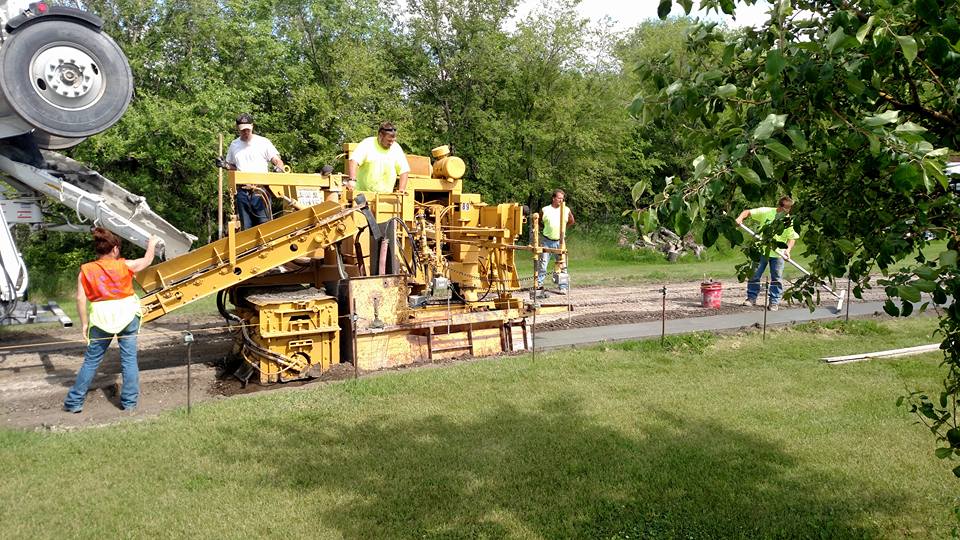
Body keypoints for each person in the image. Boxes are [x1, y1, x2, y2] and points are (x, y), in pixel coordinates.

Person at [63, 229, 159, 413]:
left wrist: (84, 323)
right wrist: (152, 244)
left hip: (100, 320)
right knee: (129, 360)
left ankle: (74, 403)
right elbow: (146, 261)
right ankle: (129, 404)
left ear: (98, 250)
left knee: (91, 362)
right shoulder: (125, 265)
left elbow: (80, 299)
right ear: (115, 249)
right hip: (127, 316)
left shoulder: (85, 270)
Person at [735, 196, 799, 311]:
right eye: (786, 208)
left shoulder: (789, 221)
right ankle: (751, 298)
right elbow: (747, 212)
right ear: (780, 206)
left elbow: (792, 238)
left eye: (789, 209)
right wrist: (740, 218)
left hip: (778, 254)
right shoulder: (766, 212)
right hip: (761, 251)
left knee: (776, 278)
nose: (787, 211)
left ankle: (774, 302)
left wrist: (787, 250)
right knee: (754, 275)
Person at [223, 113, 285, 229]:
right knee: (246, 227)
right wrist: (224, 165)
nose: (246, 132)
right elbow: (233, 166)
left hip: (260, 191)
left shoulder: (263, 142)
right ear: (238, 129)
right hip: (242, 191)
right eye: (243, 130)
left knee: (264, 225)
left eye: (248, 129)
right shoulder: (234, 145)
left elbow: (277, 160)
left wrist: (278, 167)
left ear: (252, 126)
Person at [346, 122, 410, 193]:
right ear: (380, 136)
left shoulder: (396, 148)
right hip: (363, 194)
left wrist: (402, 189)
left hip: (385, 197)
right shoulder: (368, 144)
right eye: (388, 140)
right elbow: (354, 160)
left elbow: (404, 170)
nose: (391, 143)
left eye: (393, 141)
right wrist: (352, 180)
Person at [537, 189, 575, 294]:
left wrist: (563, 229)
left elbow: (572, 221)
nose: (561, 200)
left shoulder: (566, 209)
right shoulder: (545, 210)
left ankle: (563, 286)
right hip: (547, 240)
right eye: (559, 198)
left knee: (562, 264)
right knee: (543, 264)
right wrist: (545, 229)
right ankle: (539, 285)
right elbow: (538, 221)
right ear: (553, 198)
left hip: (560, 241)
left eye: (562, 199)